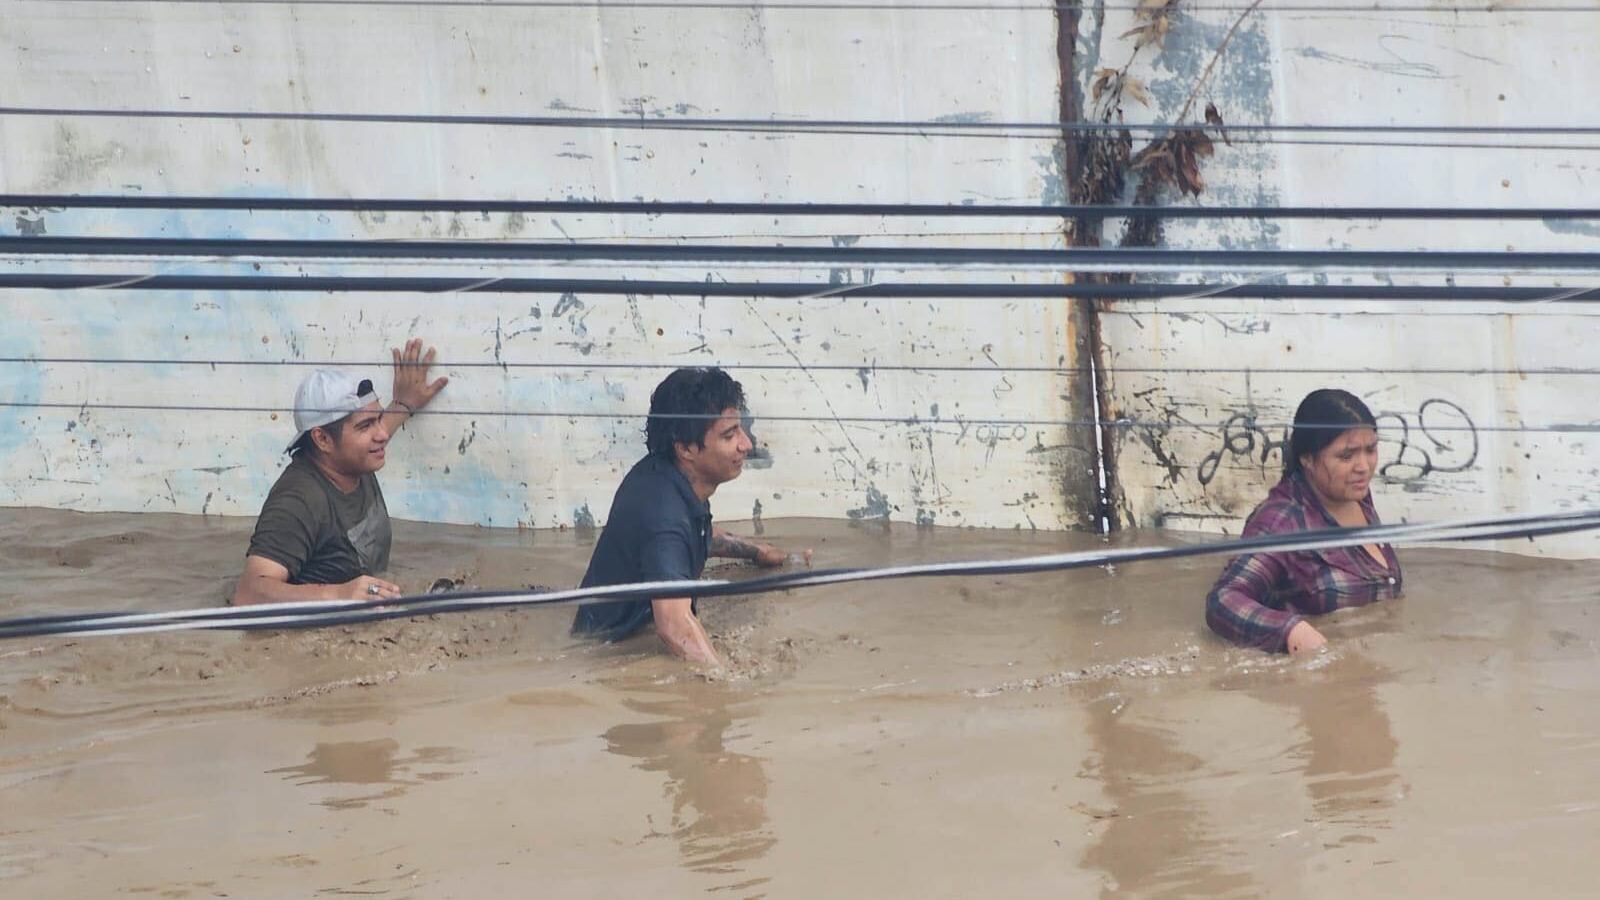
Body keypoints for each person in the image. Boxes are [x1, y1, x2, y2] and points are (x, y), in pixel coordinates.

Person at [571, 367, 810, 666]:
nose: (746, 444)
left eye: (740, 429)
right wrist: (727, 683)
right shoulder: (663, 516)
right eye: (729, 434)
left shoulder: (668, 479)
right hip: (615, 653)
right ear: (685, 448)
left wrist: (759, 553)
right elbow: (672, 625)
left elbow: (697, 536)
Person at [230, 339, 449, 606]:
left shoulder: (354, 456)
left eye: (379, 419)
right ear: (322, 439)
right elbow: (248, 593)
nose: (381, 434)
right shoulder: (298, 500)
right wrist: (339, 595)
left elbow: (373, 431)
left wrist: (404, 403)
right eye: (366, 425)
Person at [1205, 389, 1402, 653]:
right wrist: (1291, 631)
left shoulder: (1358, 497)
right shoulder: (1282, 522)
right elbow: (1223, 601)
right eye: (1346, 456)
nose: (1364, 466)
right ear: (1307, 459)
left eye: (1371, 449)